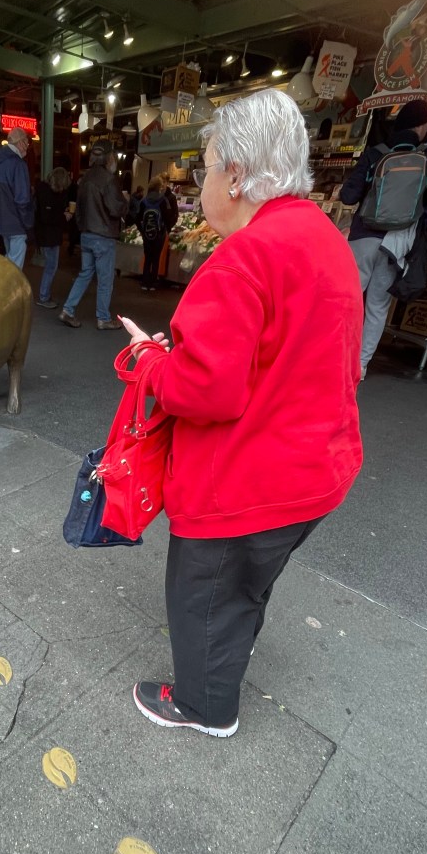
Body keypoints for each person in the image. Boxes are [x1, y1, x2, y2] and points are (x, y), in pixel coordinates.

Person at [117, 89, 363, 738]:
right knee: (244, 589)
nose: (199, 184)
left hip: (247, 481)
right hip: (317, 468)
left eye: (204, 167)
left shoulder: (243, 258)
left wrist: (151, 363)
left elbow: (205, 391)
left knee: (203, 595)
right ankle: (221, 671)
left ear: (235, 174)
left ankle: (204, 707)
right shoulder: (324, 238)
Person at [340, 99, 427, 380]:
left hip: (363, 236)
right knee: (377, 306)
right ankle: (360, 365)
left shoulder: (375, 153)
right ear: (423, 125)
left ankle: (330, 353)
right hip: (397, 243)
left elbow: (348, 196)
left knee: (346, 299)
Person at [58, 142, 128, 330]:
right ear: (109, 157)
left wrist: (82, 228)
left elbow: (78, 210)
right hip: (103, 236)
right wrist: (126, 202)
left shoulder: (85, 179)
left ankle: (68, 310)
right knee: (105, 280)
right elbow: (116, 209)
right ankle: (103, 318)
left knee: (85, 273)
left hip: (86, 234)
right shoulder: (109, 180)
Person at [0, 126, 34, 269]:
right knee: (14, 268)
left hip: (1, 222)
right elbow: (22, 199)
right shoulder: (18, 164)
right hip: (16, 223)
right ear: (20, 142)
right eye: (27, 142)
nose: (27, 146)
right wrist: (27, 223)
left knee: (9, 261)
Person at [33, 166, 72, 308]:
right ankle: (44, 297)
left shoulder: (42, 189)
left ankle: (45, 295)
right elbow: (48, 217)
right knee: (51, 267)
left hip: (45, 234)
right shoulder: (49, 193)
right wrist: (63, 216)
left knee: (50, 266)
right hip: (49, 235)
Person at [136, 177, 176, 291]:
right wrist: (167, 229)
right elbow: (168, 217)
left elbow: (137, 218)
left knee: (147, 257)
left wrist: (142, 231)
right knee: (156, 258)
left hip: (147, 234)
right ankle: (153, 283)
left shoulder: (144, 201)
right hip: (159, 234)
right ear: (159, 187)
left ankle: (145, 282)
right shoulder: (163, 200)